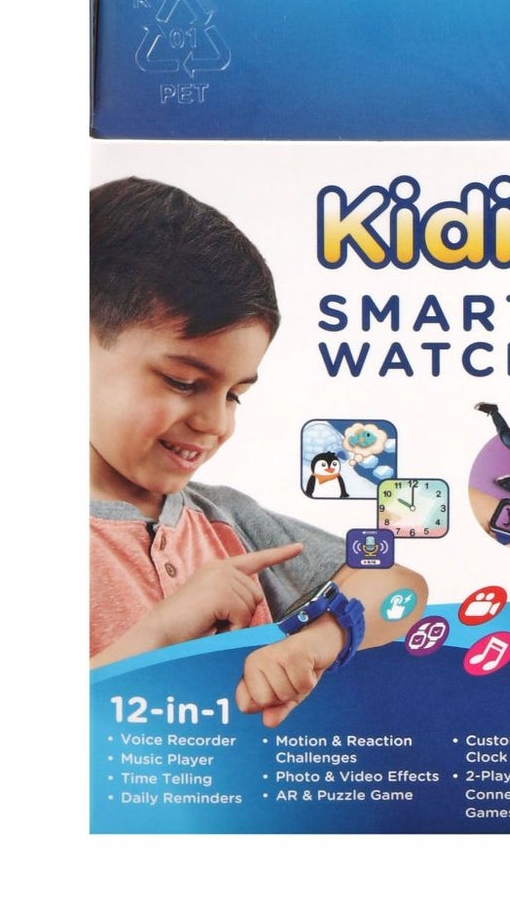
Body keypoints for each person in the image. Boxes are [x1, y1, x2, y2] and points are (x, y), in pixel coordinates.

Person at [89, 178, 424, 723]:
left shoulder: (225, 521)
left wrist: (317, 639)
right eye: (182, 382)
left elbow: (396, 584)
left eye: (235, 395)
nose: (216, 423)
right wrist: (163, 632)